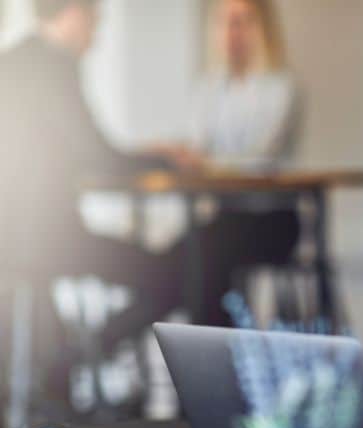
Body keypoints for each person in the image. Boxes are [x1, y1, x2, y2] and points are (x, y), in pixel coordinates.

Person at [0, 0, 183, 355]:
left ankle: (65, 363)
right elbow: (98, 157)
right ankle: (89, 350)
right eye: (95, 22)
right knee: (176, 275)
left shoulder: (9, 62)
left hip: (9, 242)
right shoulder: (55, 67)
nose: (96, 37)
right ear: (73, 12)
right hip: (50, 242)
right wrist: (166, 159)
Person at [151, 0, 301, 327]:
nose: (233, 33)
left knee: (195, 261)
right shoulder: (208, 89)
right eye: (225, 22)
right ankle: (98, 342)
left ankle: (92, 345)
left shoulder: (281, 87)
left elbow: (263, 156)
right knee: (173, 265)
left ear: (262, 28)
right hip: (224, 218)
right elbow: (196, 145)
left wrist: (202, 161)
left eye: (243, 22)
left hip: (270, 220)